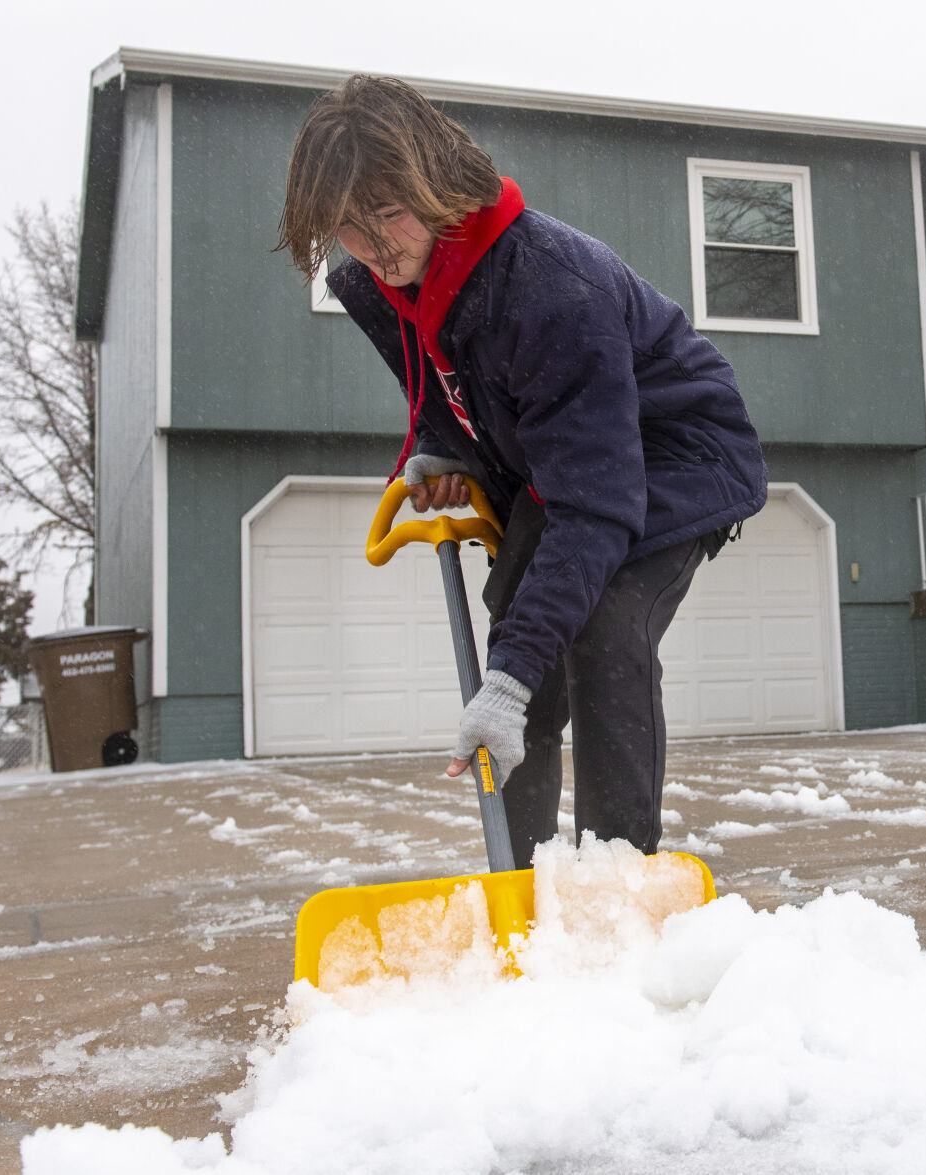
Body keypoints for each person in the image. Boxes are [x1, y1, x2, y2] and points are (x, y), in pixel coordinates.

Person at [277, 75, 767, 865]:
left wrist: (504, 682)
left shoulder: (548, 286)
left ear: (436, 183)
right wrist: (441, 449)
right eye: (349, 230)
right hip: (568, 458)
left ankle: (616, 877)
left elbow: (596, 509)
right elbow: (455, 388)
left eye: (389, 215)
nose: (376, 248)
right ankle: (522, 874)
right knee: (519, 628)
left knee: (602, 626)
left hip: (678, 453)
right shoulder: (388, 283)